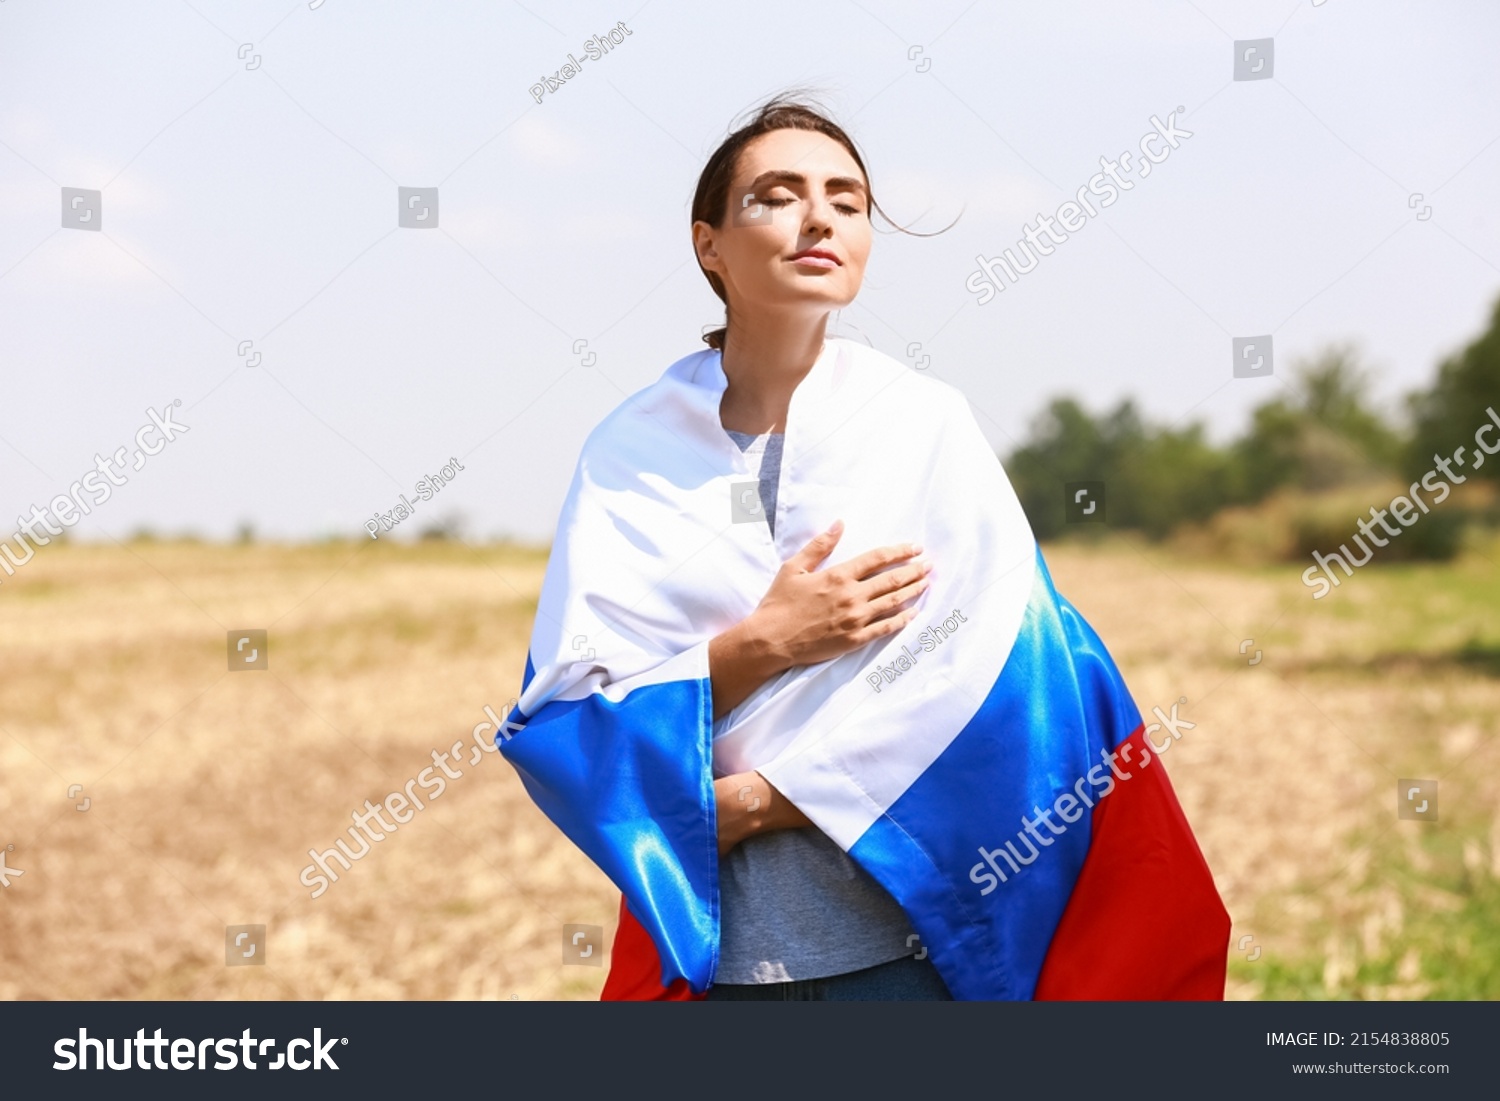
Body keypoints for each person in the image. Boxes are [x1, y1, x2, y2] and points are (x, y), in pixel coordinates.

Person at [497, 95, 1230, 1002]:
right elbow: (567, 715)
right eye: (778, 194)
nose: (820, 218)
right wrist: (771, 641)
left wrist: (754, 802)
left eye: (847, 200)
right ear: (709, 244)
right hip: (721, 963)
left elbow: (1002, 679)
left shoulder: (923, 425)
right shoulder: (630, 453)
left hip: (904, 958)